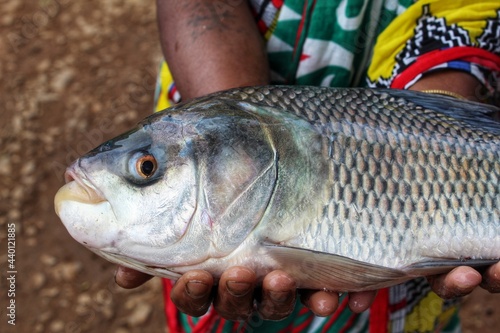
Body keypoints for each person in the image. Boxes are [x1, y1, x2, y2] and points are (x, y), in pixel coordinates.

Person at [116, 0, 500, 332]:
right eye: (147, 168)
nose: (146, 169)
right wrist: (237, 117)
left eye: (147, 168)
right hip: (214, 81)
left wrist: (442, 109)